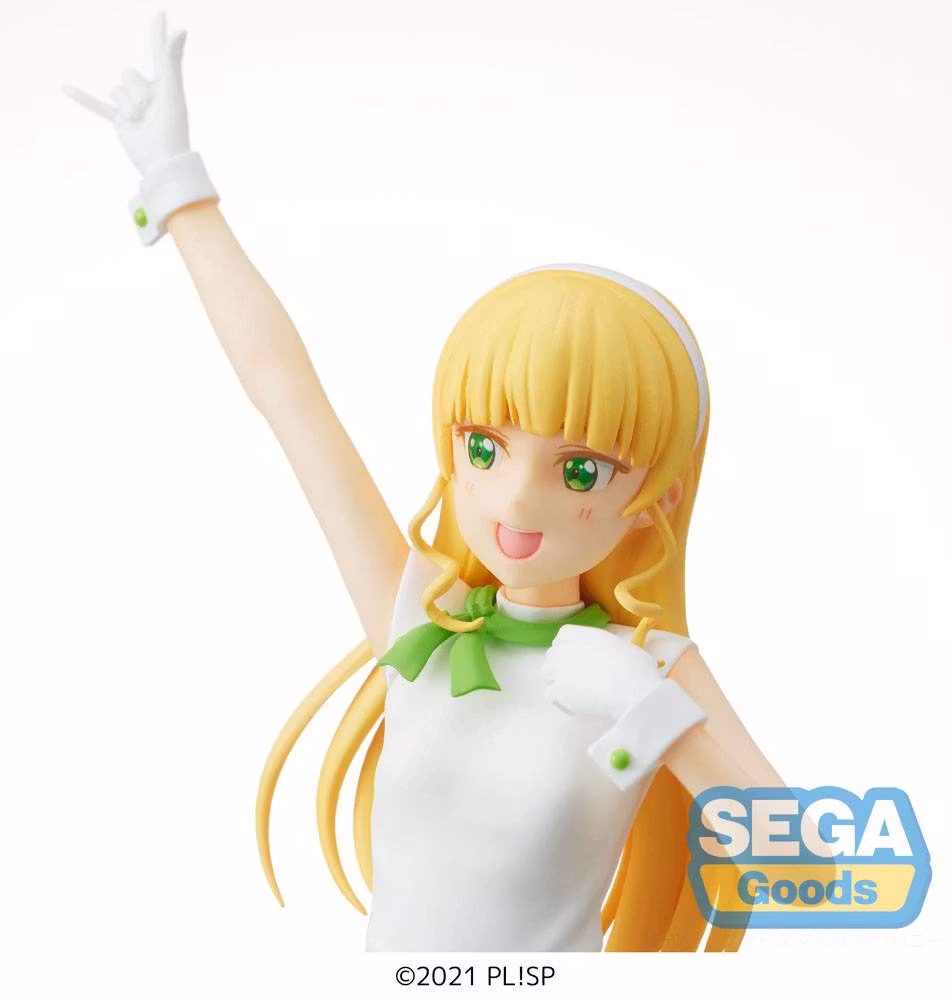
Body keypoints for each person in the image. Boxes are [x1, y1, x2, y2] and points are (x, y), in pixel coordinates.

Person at [66, 12, 792, 952]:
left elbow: (807, 873)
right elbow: (290, 398)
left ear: (654, 499)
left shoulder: (649, 663)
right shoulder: (420, 617)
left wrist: (653, 714)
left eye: (580, 469)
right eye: (485, 449)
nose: (516, 498)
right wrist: (177, 187)